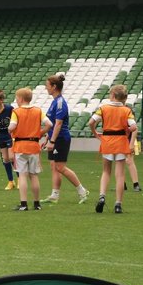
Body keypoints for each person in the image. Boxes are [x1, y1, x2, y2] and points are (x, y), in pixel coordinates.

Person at [89, 83, 138, 214]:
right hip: (121, 141)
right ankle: (118, 204)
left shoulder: (103, 108)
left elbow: (91, 122)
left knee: (106, 171)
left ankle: (102, 197)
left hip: (107, 141)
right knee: (120, 174)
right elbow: (134, 127)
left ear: (113, 95)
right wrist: (127, 132)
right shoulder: (126, 110)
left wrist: (95, 134)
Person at [42, 72, 88, 205]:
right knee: (54, 166)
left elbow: (59, 123)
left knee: (60, 167)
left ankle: (82, 191)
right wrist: (47, 136)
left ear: (54, 86)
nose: (46, 88)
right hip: (54, 138)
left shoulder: (60, 102)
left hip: (60, 139)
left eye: (48, 86)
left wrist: (52, 141)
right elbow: (52, 123)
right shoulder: (55, 102)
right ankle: (55, 195)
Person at [9, 86, 48, 210]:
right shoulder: (38, 110)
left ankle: (24, 204)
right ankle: (37, 204)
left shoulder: (16, 112)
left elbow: (11, 127)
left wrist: (10, 129)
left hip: (20, 146)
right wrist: (40, 133)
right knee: (34, 175)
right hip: (34, 146)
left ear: (20, 99)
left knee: (23, 175)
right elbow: (49, 124)